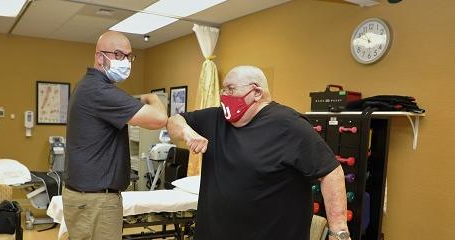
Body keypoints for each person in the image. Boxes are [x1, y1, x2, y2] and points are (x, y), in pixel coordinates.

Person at [167, 65, 350, 240]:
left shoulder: (289, 126)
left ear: (256, 92)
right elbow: (173, 121)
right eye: (223, 90)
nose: (224, 95)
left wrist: (339, 232)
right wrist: (186, 132)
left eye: (230, 89)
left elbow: (331, 172)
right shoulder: (215, 118)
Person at [63, 31, 167, 240]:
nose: (126, 62)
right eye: (119, 55)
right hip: (96, 201)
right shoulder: (99, 91)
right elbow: (158, 118)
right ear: (100, 57)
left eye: (129, 57)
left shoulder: (86, 86)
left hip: (86, 198)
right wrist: (153, 98)